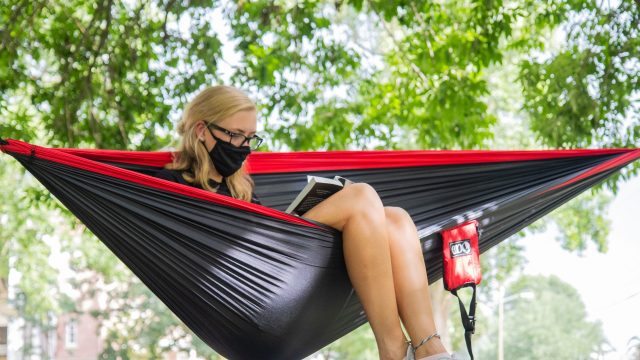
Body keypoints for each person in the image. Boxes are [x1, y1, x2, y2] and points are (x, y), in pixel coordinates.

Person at [153, 85, 455, 360]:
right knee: (361, 197)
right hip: (247, 293)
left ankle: (430, 348)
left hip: (282, 271)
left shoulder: (241, 189)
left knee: (397, 220)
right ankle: (392, 350)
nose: (243, 146)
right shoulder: (168, 184)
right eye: (234, 135)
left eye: (250, 138)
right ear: (201, 130)